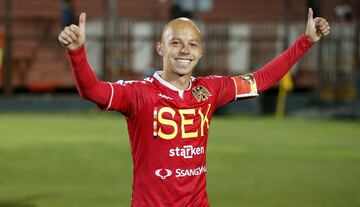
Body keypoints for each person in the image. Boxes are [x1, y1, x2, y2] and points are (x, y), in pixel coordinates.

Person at [58, 8, 330, 206]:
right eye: (175, 43)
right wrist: (77, 53)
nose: (184, 50)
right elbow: (92, 91)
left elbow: (260, 80)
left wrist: (304, 42)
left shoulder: (209, 90)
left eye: (192, 45)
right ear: (160, 48)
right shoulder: (139, 94)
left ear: (200, 52)